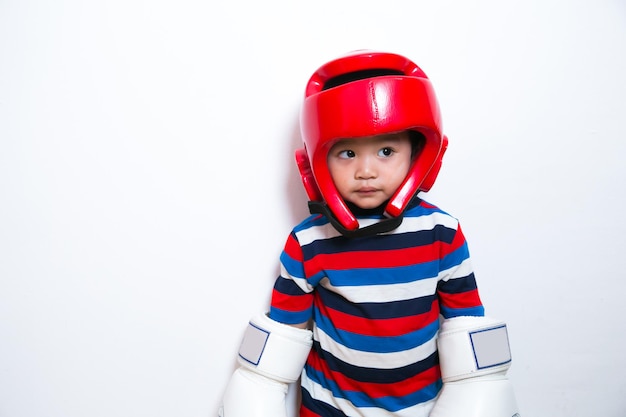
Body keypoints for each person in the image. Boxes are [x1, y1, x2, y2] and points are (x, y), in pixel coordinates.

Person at [218, 50, 519, 417]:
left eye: (386, 150)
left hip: (421, 407)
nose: (365, 171)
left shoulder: (442, 233)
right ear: (316, 160)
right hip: (328, 407)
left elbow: (468, 331)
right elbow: (280, 342)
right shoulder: (308, 242)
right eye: (346, 152)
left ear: (419, 152)